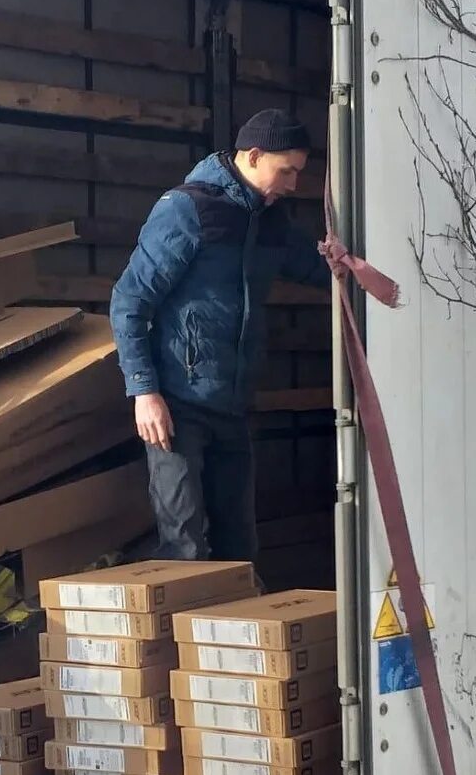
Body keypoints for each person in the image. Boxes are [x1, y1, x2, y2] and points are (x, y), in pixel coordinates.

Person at [110, 109, 333, 565]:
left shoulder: (269, 221)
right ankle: (182, 635)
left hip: (231, 406)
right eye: (285, 171)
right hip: (176, 405)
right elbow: (129, 302)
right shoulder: (187, 209)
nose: (292, 185)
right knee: (185, 545)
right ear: (253, 156)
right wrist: (144, 392)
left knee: (240, 547)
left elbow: (317, 269)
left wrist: (351, 266)